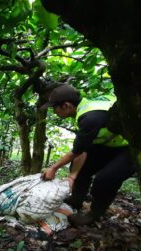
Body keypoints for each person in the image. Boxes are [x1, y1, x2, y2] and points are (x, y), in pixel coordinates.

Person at [40, 84, 135, 226]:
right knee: (81, 167)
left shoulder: (90, 117)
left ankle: (94, 214)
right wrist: (73, 175)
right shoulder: (86, 108)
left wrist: (53, 168)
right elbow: (83, 150)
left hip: (132, 147)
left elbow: (76, 151)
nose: (54, 112)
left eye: (54, 108)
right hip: (112, 144)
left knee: (105, 179)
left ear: (66, 105)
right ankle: (76, 200)